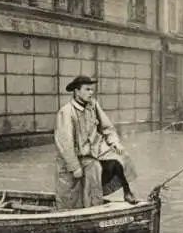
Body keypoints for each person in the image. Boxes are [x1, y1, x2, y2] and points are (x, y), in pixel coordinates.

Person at [54, 75, 138, 210]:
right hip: (74, 157)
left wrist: (114, 142)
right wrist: (74, 166)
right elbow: (65, 144)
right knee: (74, 198)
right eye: (87, 90)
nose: (91, 93)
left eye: (92, 90)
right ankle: (89, 209)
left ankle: (127, 192)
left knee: (122, 158)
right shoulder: (66, 112)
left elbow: (107, 127)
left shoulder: (93, 105)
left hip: (95, 150)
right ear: (76, 91)